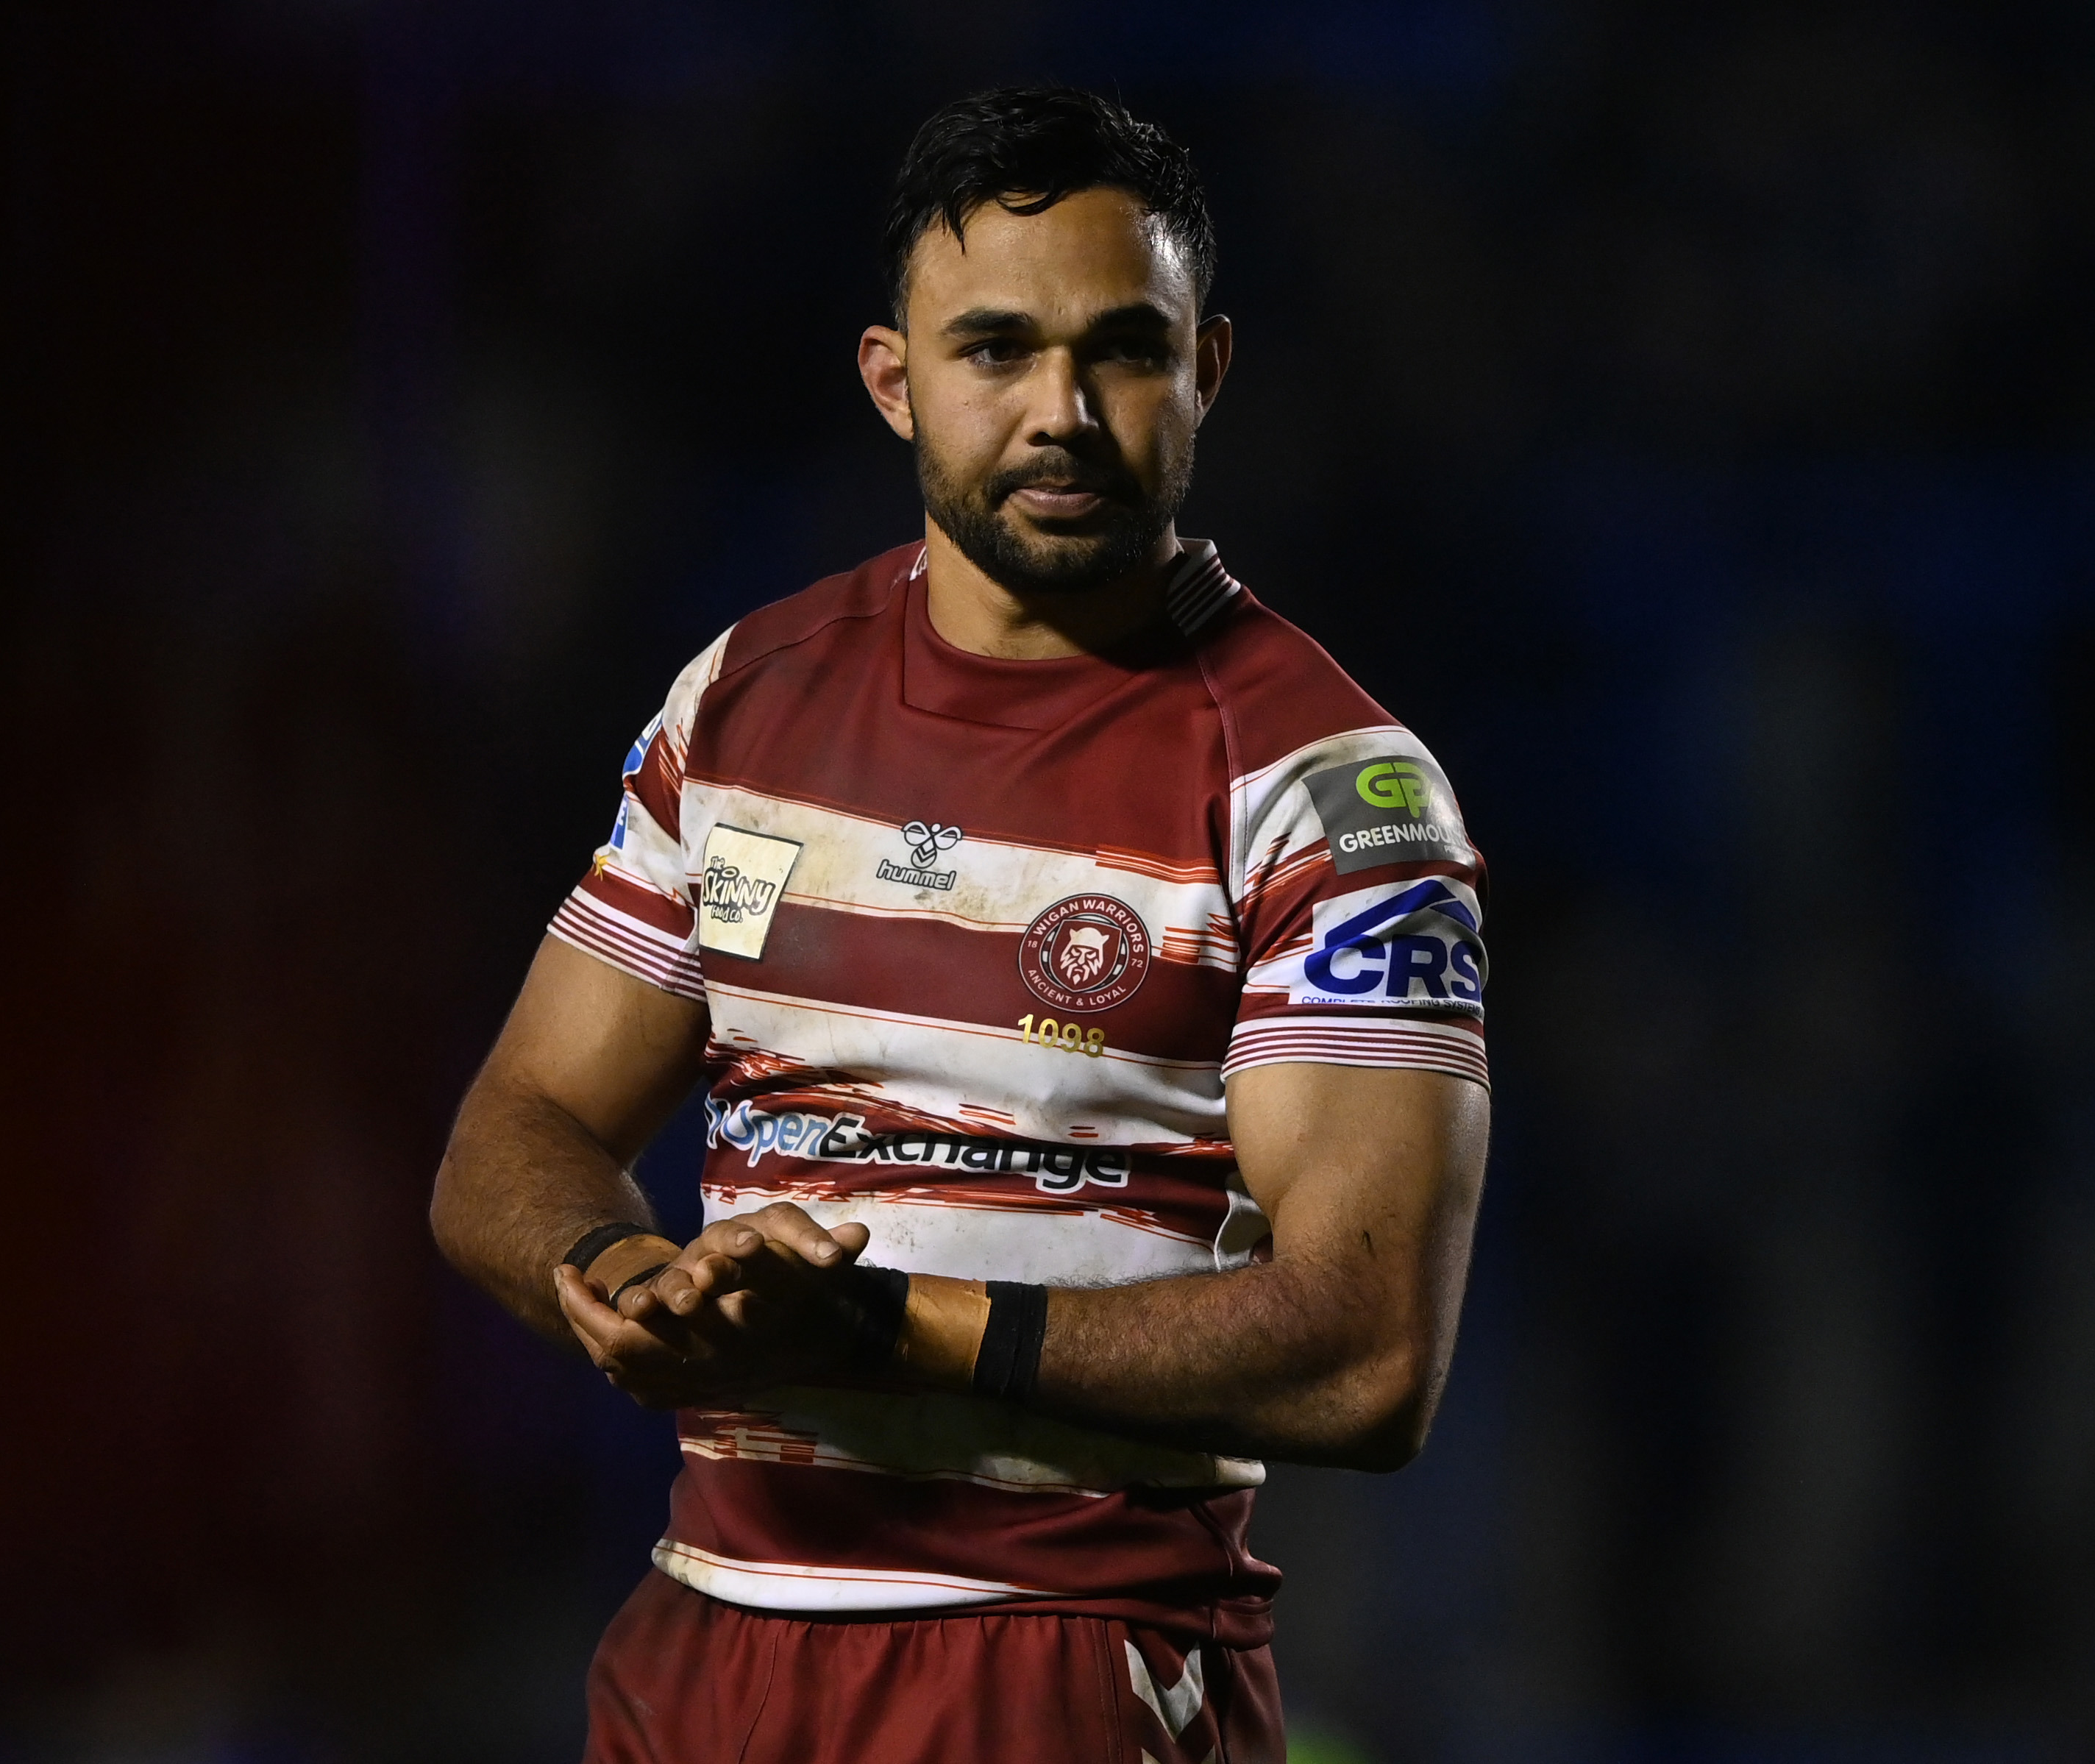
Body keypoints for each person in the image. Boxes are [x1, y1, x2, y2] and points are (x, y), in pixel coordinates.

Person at [431, 85, 1492, 1764]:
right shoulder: (743, 698)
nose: (1061, 412)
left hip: (1064, 1660)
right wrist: (627, 1278)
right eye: (996, 348)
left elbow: (1367, 1355)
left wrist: (881, 1324)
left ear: (1207, 371)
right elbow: (518, 1126)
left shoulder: (1331, 788)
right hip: (699, 1649)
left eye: (1122, 351)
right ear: (893, 379)